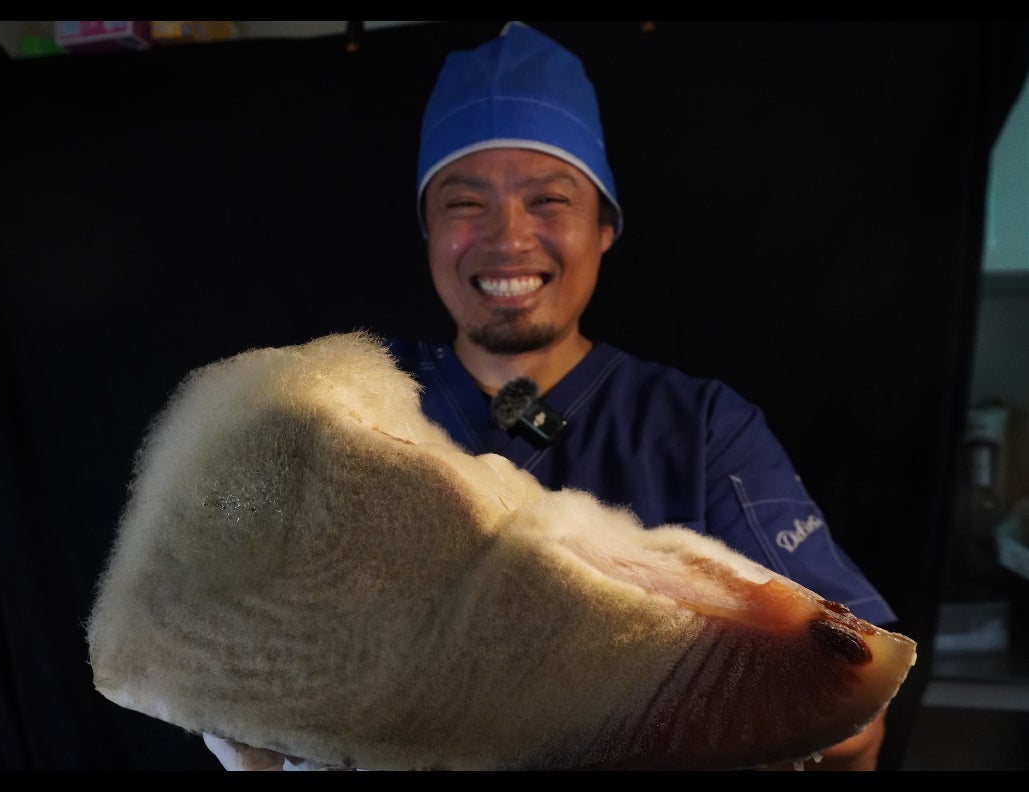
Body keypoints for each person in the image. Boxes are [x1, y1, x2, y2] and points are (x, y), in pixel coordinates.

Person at [204, 21, 898, 772]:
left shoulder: (701, 430)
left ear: (603, 227)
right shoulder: (331, 411)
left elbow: (854, 707)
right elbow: (224, 642)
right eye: (465, 203)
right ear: (427, 229)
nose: (508, 238)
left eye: (547, 199)